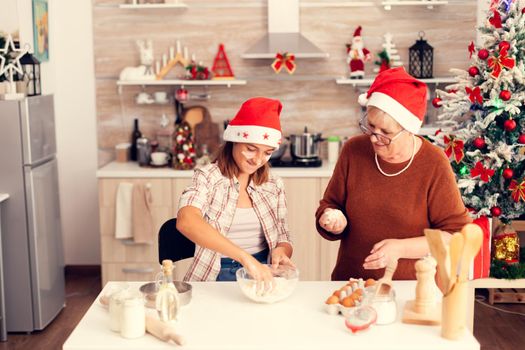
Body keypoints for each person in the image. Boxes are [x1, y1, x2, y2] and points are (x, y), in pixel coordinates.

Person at [316, 67, 471, 281]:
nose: (373, 138)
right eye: (370, 127)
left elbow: (456, 235)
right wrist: (331, 220)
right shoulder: (353, 150)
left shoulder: (434, 163)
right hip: (351, 283)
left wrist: (401, 248)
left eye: (386, 133)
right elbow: (330, 204)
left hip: (410, 290)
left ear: (409, 130)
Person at [176, 97, 294, 283]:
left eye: (267, 152)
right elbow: (186, 221)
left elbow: (283, 236)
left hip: (263, 270)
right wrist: (245, 258)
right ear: (234, 140)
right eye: (251, 149)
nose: (257, 160)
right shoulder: (208, 177)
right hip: (217, 271)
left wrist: (281, 250)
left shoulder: (273, 184)